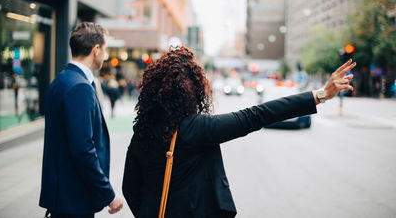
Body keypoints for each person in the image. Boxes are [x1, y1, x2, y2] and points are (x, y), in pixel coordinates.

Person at [122, 46, 356, 218]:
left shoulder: (141, 132)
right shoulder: (197, 128)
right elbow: (257, 115)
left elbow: (129, 187)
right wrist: (321, 94)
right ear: (193, 93)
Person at [39, 22, 123, 217]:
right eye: (105, 49)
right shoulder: (80, 87)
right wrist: (109, 195)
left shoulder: (61, 80)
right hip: (74, 198)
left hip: (62, 195)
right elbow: (83, 150)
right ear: (96, 50)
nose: (105, 54)